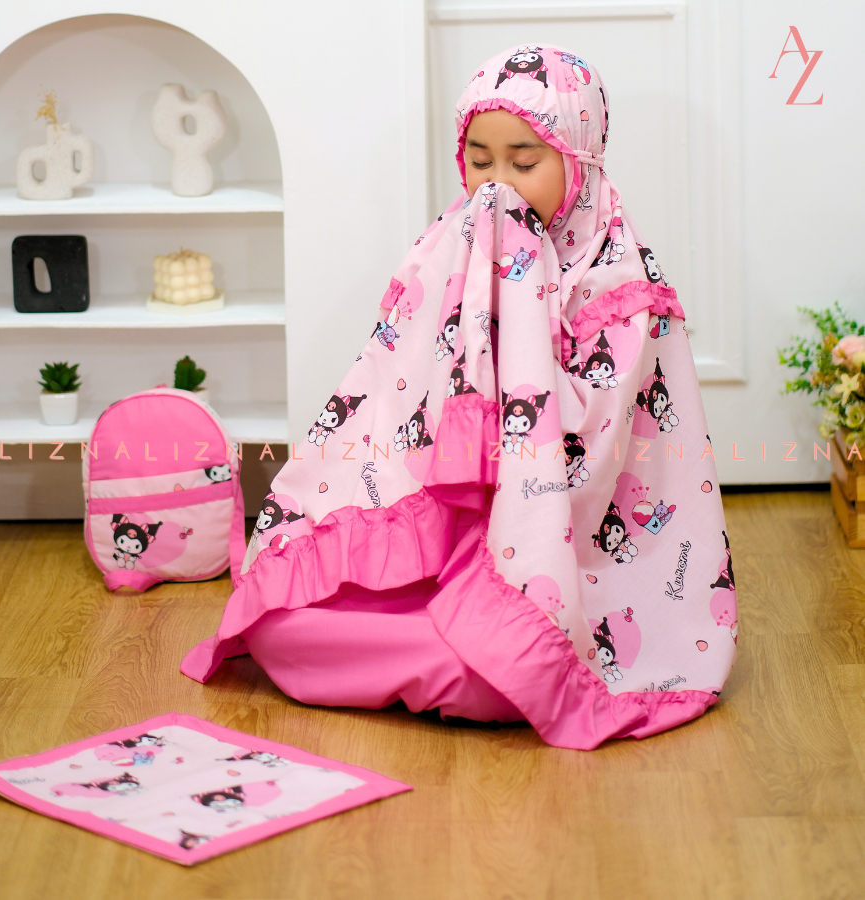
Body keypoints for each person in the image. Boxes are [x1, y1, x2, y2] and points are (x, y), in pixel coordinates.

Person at [181, 44, 738, 750]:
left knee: (504, 665)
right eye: (480, 161)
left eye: (523, 162)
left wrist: (526, 315)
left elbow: (592, 454)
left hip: (570, 560)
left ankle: (483, 657)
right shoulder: (455, 250)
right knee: (282, 627)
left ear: (579, 161)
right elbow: (391, 395)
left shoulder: (620, 284)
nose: (496, 185)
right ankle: (434, 636)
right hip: (451, 532)